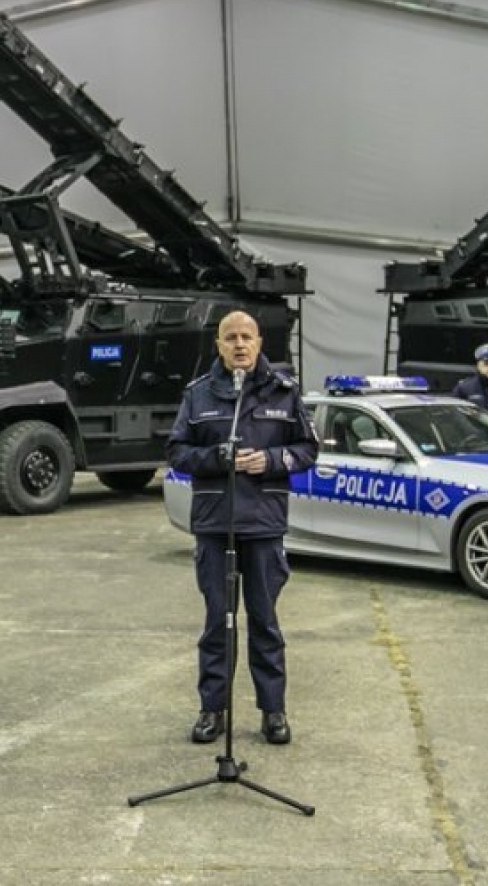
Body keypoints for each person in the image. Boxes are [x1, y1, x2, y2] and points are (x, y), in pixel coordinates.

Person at [166, 310, 318, 747]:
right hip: (216, 527)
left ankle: (273, 712)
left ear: (259, 343)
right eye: (229, 337)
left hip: (264, 527)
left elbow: (307, 449)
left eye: (246, 337)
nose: (238, 345)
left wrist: (269, 461)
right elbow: (177, 451)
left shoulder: (284, 393)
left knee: (265, 622)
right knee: (218, 621)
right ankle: (212, 710)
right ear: (218, 345)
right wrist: (216, 457)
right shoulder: (198, 396)